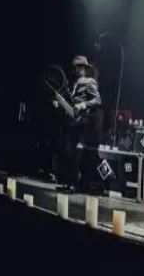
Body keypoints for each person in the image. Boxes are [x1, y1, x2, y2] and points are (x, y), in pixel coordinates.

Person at [55, 56, 102, 192]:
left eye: (76, 68)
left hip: (82, 124)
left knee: (76, 154)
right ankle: (67, 182)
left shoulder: (89, 82)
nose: (74, 70)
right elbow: (71, 102)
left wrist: (82, 105)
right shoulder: (74, 84)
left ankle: (75, 185)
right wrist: (60, 104)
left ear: (82, 68)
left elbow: (97, 100)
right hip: (71, 123)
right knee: (67, 152)